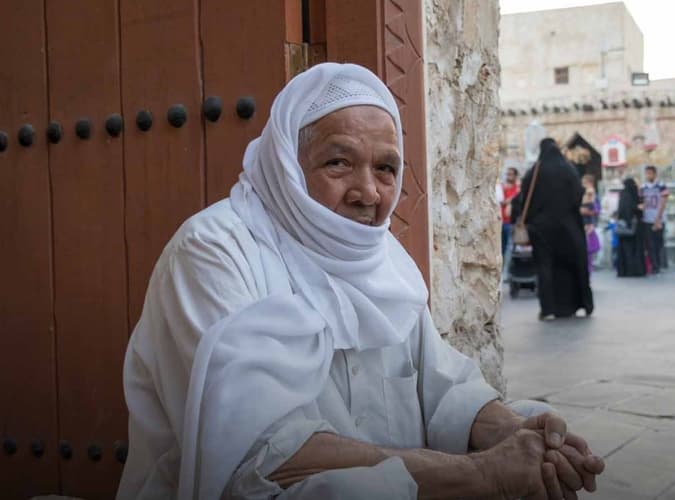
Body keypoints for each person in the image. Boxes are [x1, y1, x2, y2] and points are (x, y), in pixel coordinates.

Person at [118, 63, 605, 499]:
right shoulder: (214, 251)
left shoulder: (383, 260)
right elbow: (263, 456)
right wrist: (480, 476)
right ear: (287, 165)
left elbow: (439, 387)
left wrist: (515, 432)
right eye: (339, 162)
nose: (369, 192)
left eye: (386, 168)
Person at [516, 138, 594, 320]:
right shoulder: (568, 169)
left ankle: (549, 309)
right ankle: (580, 304)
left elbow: (523, 198)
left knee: (545, 267)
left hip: (541, 228)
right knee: (573, 264)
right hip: (568, 227)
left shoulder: (534, 172)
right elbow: (578, 194)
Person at [640, 165, 669, 274]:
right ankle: (654, 265)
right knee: (650, 244)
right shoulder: (643, 187)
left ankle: (659, 263)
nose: (649, 175)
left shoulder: (660, 185)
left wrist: (658, 218)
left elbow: (663, 201)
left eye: (650, 173)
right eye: (647, 173)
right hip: (647, 219)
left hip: (659, 217)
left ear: (655, 174)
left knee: (658, 242)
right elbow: (641, 201)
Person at [616, 178, 647, 277]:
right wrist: (638, 208)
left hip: (624, 228)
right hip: (633, 227)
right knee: (634, 249)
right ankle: (635, 270)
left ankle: (626, 270)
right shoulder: (629, 196)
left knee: (625, 250)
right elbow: (630, 208)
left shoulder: (623, 195)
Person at [497, 167, 520, 262]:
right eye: (507, 174)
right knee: (499, 248)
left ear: (515, 176)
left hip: (510, 223)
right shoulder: (501, 187)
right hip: (499, 221)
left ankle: (505, 272)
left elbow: (506, 201)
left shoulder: (518, 189)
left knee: (508, 249)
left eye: (510, 174)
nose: (508, 176)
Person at [581, 174, 601, 272]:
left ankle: (588, 268)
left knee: (589, 249)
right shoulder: (583, 195)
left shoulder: (592, 195)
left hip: (589, 224)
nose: (583, 185)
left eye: (585, 183)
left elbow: (596, 210)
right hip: (585, 224)